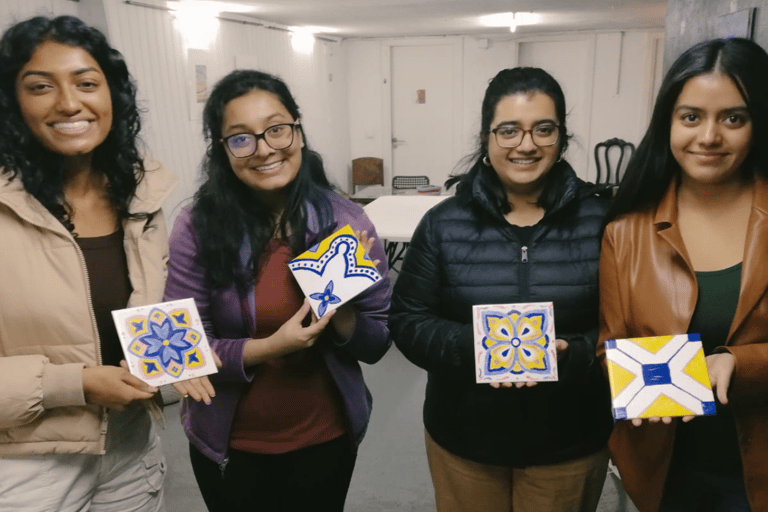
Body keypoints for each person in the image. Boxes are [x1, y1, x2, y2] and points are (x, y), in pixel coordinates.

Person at [163, 69, 391, 512]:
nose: (265, 148)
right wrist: (270, 347)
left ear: (298, 133)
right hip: (229, 444)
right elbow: (183, 348)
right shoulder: (197, 226)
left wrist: (341, 314)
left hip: (325, 438)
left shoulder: (346, 222)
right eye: (241, 138)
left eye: (277, 129)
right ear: (222, 150)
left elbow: (377, 342)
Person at [388, 67, 613, 512]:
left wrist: (576, 351)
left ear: (562, 138)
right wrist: (475, 347)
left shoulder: (604, 221)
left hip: (569, 442)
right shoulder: (444, 222)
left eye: (543, 129)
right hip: (465, 441)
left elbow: (629, 323)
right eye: (509, 130)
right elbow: (407, 319)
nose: (526, 144)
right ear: (487, 137)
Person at [0, 15, 175, 512]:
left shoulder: (141, 195)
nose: (70, 103)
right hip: (26, 461)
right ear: (12, 104)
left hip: (130, 444)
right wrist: (74, 383)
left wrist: (181, 360)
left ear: (112, 97)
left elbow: (147, 312)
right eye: (40, 87)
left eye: (86, 83)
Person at [598, 37, 768, 512]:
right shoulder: (625, 232)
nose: (709, 136)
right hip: (662, 471)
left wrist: (746, 362)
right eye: (691, 116)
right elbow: (610, 348)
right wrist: (634, 384)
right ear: (668, 123)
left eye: (733, 118)